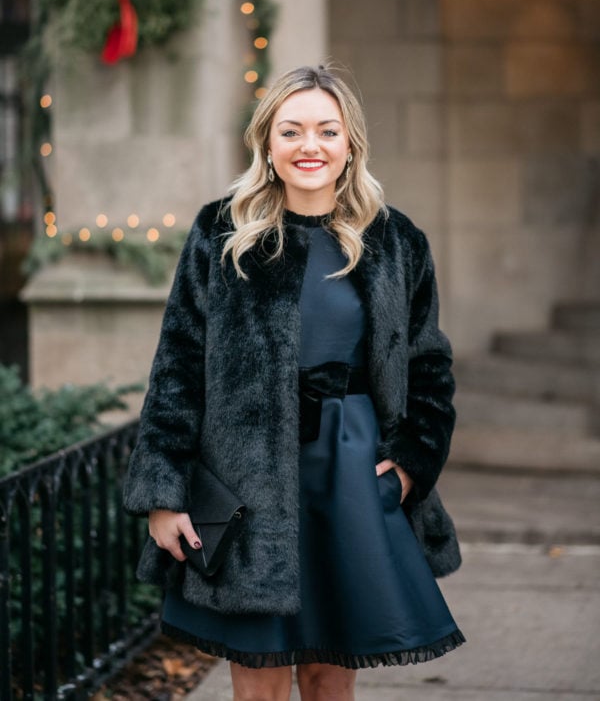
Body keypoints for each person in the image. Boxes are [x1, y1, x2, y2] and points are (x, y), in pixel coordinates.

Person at [123, 65, 465, 701]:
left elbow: (429, 368)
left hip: (352, 478)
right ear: (267, 144)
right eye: (292, 130)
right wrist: (163, 495)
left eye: (327, 131)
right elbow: (176, 366)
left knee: (330, 675)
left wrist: (414, 464)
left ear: (349, 144)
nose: (310, 146)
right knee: (259, 681)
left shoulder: (395, 242)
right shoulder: (221, 235)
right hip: (245, 482)